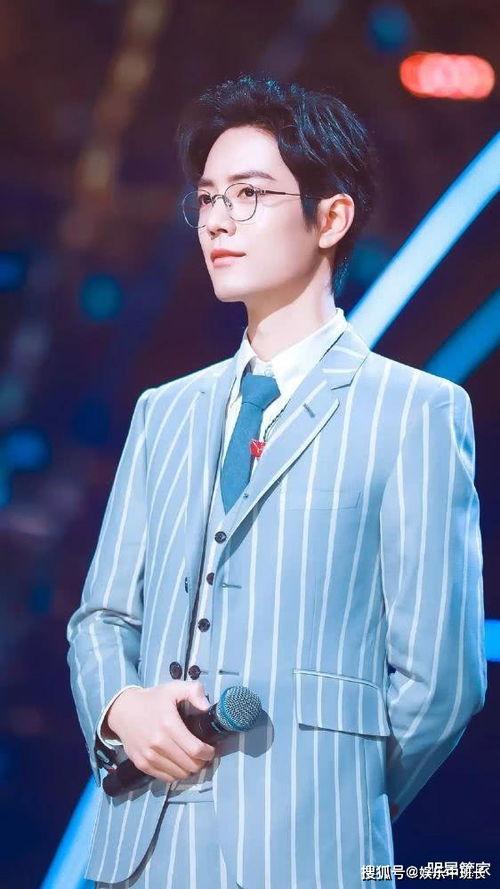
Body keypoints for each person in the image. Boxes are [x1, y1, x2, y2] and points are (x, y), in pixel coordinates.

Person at [66, 74, 486, 889]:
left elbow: (440, 681)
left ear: (331, 217)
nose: (217, 219)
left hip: (310, 854)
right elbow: (103, 616)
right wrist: (122, 707)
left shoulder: (414, 411)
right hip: (141, 850)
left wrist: (331, 793)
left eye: (250, 194)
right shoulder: (165, 412)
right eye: (207, 198)